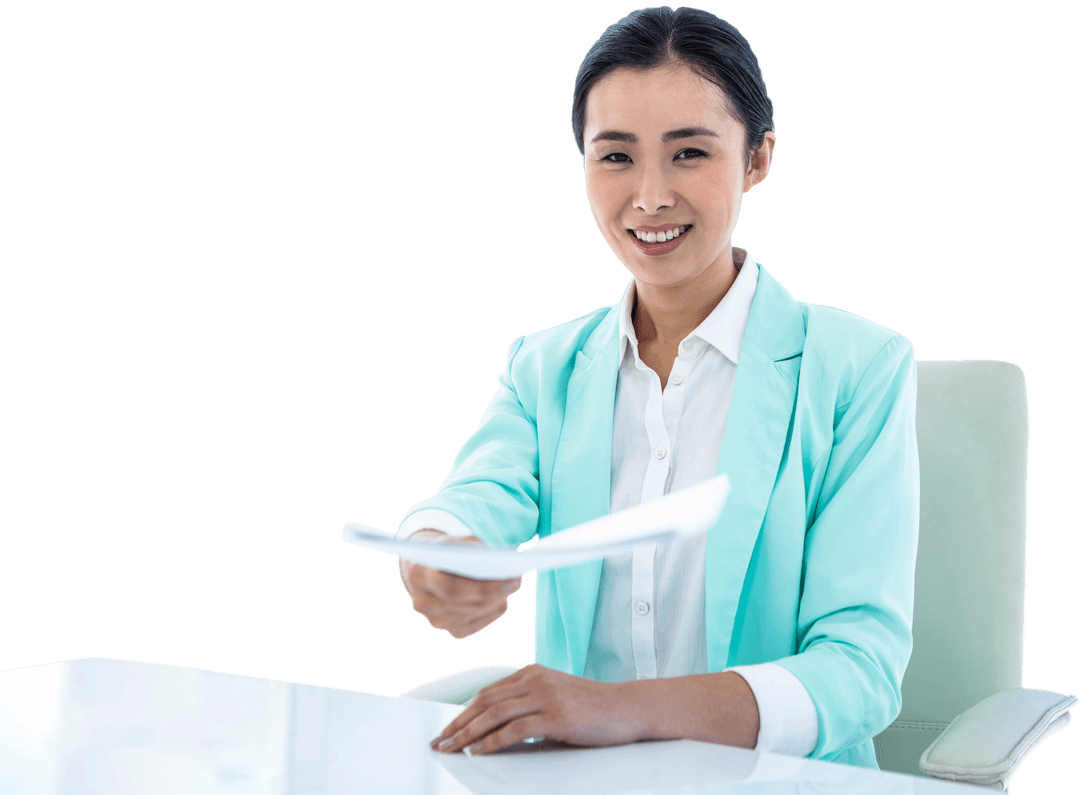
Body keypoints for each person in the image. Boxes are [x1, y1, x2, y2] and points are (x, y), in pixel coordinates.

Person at [396, 6, 918, 771]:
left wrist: (621, 709)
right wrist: (438, 554)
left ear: (757, 158)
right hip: (581, 781)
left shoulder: (857, 368)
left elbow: (860, 671)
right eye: (616, 156)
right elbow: (474, 498)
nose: (648, 197)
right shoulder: (546, 366)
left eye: (689, 153)